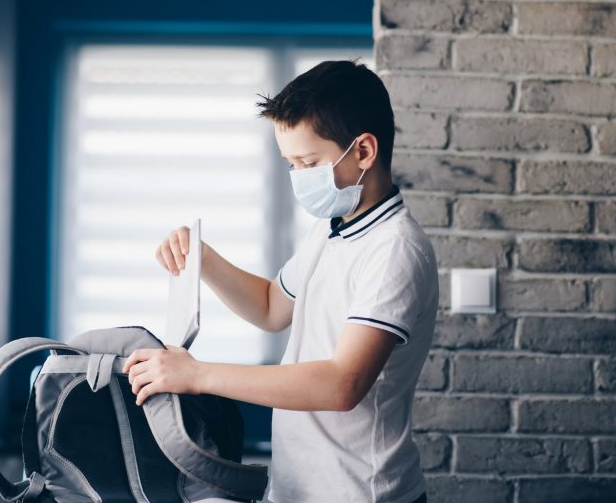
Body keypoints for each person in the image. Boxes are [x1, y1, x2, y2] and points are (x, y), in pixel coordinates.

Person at [123, 59, 438, 503]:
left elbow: (341, 383)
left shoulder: (395, 250)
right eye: (291, 164)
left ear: (364, 151)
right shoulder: (332, 228)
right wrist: (203, 259)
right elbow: (272, 307)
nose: (298, 178)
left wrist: (197, 376)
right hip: (297, 488)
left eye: (308, 162)